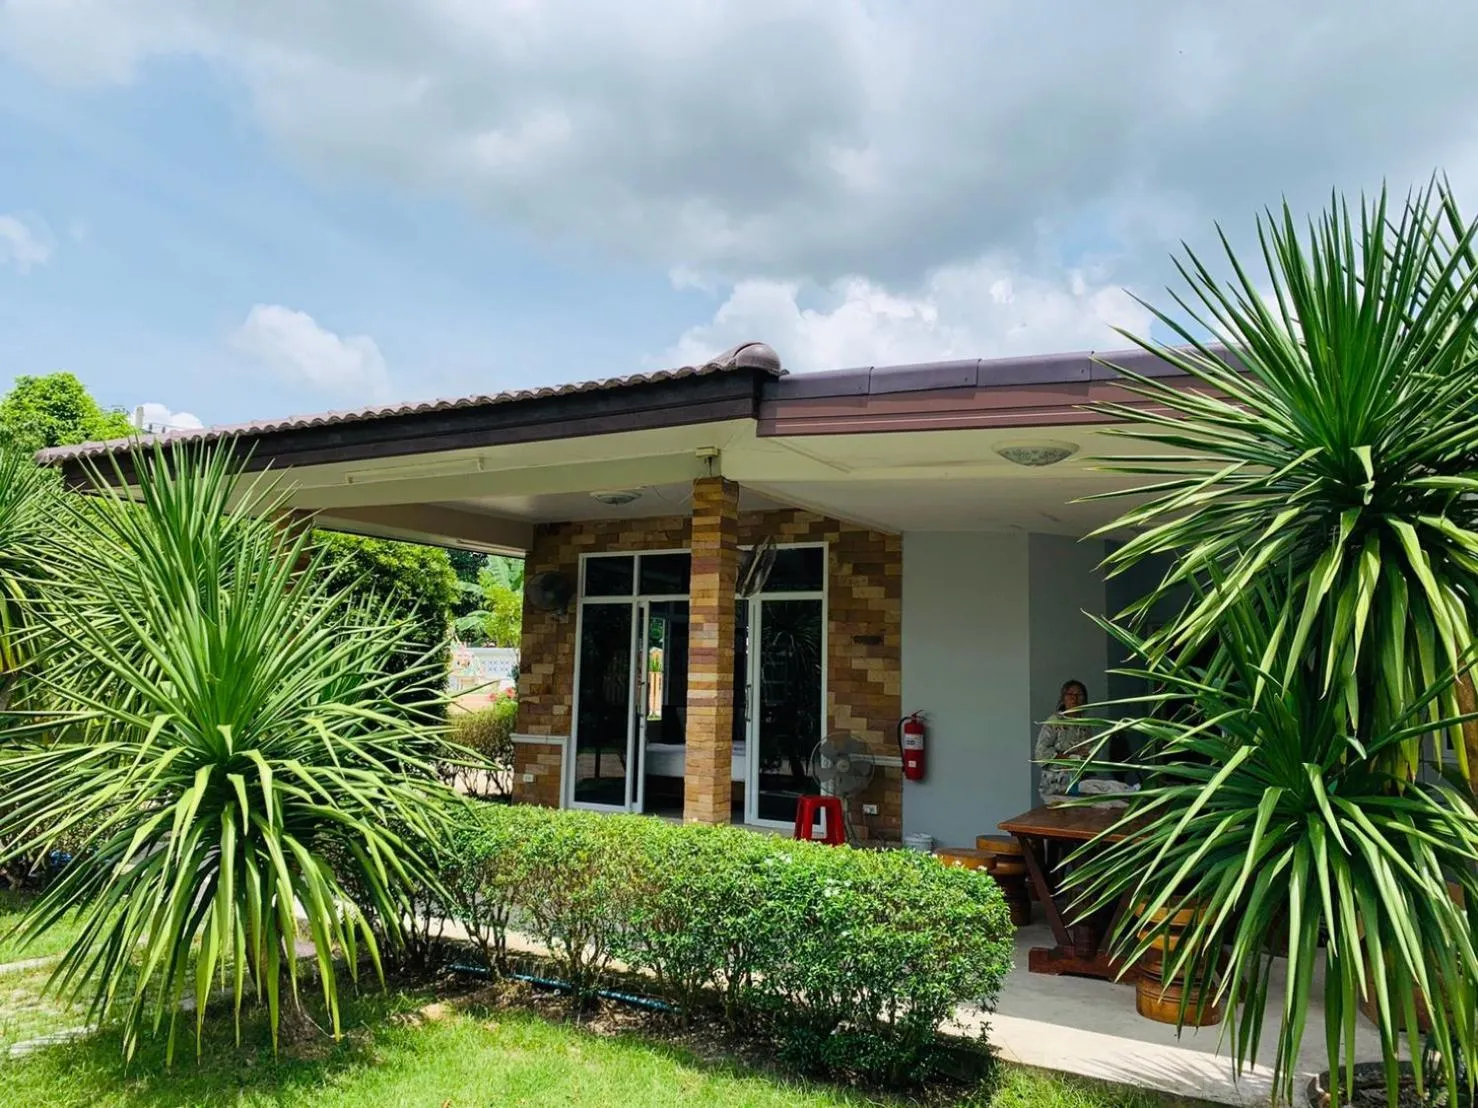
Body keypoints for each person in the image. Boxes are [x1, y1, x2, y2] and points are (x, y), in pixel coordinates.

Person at [1035, 680, 1135, 804]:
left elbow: (1089, 750)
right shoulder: (1054, 722)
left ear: (1085, 700)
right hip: (1056, 783)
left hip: (1080, 780)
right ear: (1063, 698)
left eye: (1079, 695)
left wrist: (1088, 754)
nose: (1074, 698)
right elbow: (1041, 754)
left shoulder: (1085, 724)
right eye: (1070, 694)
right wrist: (1070, 757)